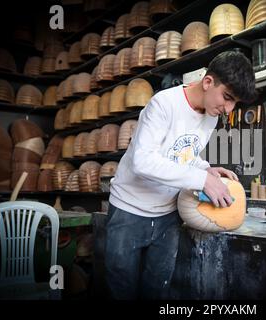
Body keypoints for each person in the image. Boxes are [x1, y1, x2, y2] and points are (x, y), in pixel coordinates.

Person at [105, 51, 256, 299]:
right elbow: (143, 161)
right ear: (208, 82)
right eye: (227, 98)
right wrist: (202, 180)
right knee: (121, 292)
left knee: (157, 292)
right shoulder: (163, 104)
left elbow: (182, 153)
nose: (228, 109)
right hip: (128, 212)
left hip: (167, 216)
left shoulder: (210, 117)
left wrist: (204, 168)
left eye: (235, 103)